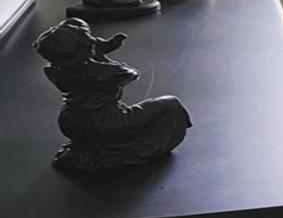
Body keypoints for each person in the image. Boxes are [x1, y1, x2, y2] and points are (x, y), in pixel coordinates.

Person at [33, 18, 191, 172]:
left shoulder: (54, 71)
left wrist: (94, 51)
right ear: (86, 48)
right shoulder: (100, 72)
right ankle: (139, 148)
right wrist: (99, 54)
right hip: (106, 121)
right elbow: (131, 74)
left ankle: (94, 150)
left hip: (70, 121)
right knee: (170, 104)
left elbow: (81, 64)